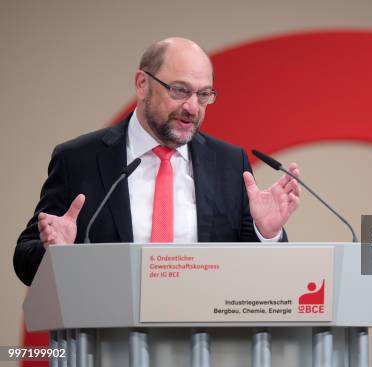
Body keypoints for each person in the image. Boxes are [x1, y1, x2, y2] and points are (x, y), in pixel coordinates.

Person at [14, 37, 301, 286]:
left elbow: (258, 274)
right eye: (179, 90)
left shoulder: (229, 163)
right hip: (108, 340)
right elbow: (24, 258)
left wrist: (267, 233)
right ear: (142, 84)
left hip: (203, 343)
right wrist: (58, 256)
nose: (192, 107)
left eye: (203, 95)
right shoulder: (79, 159)